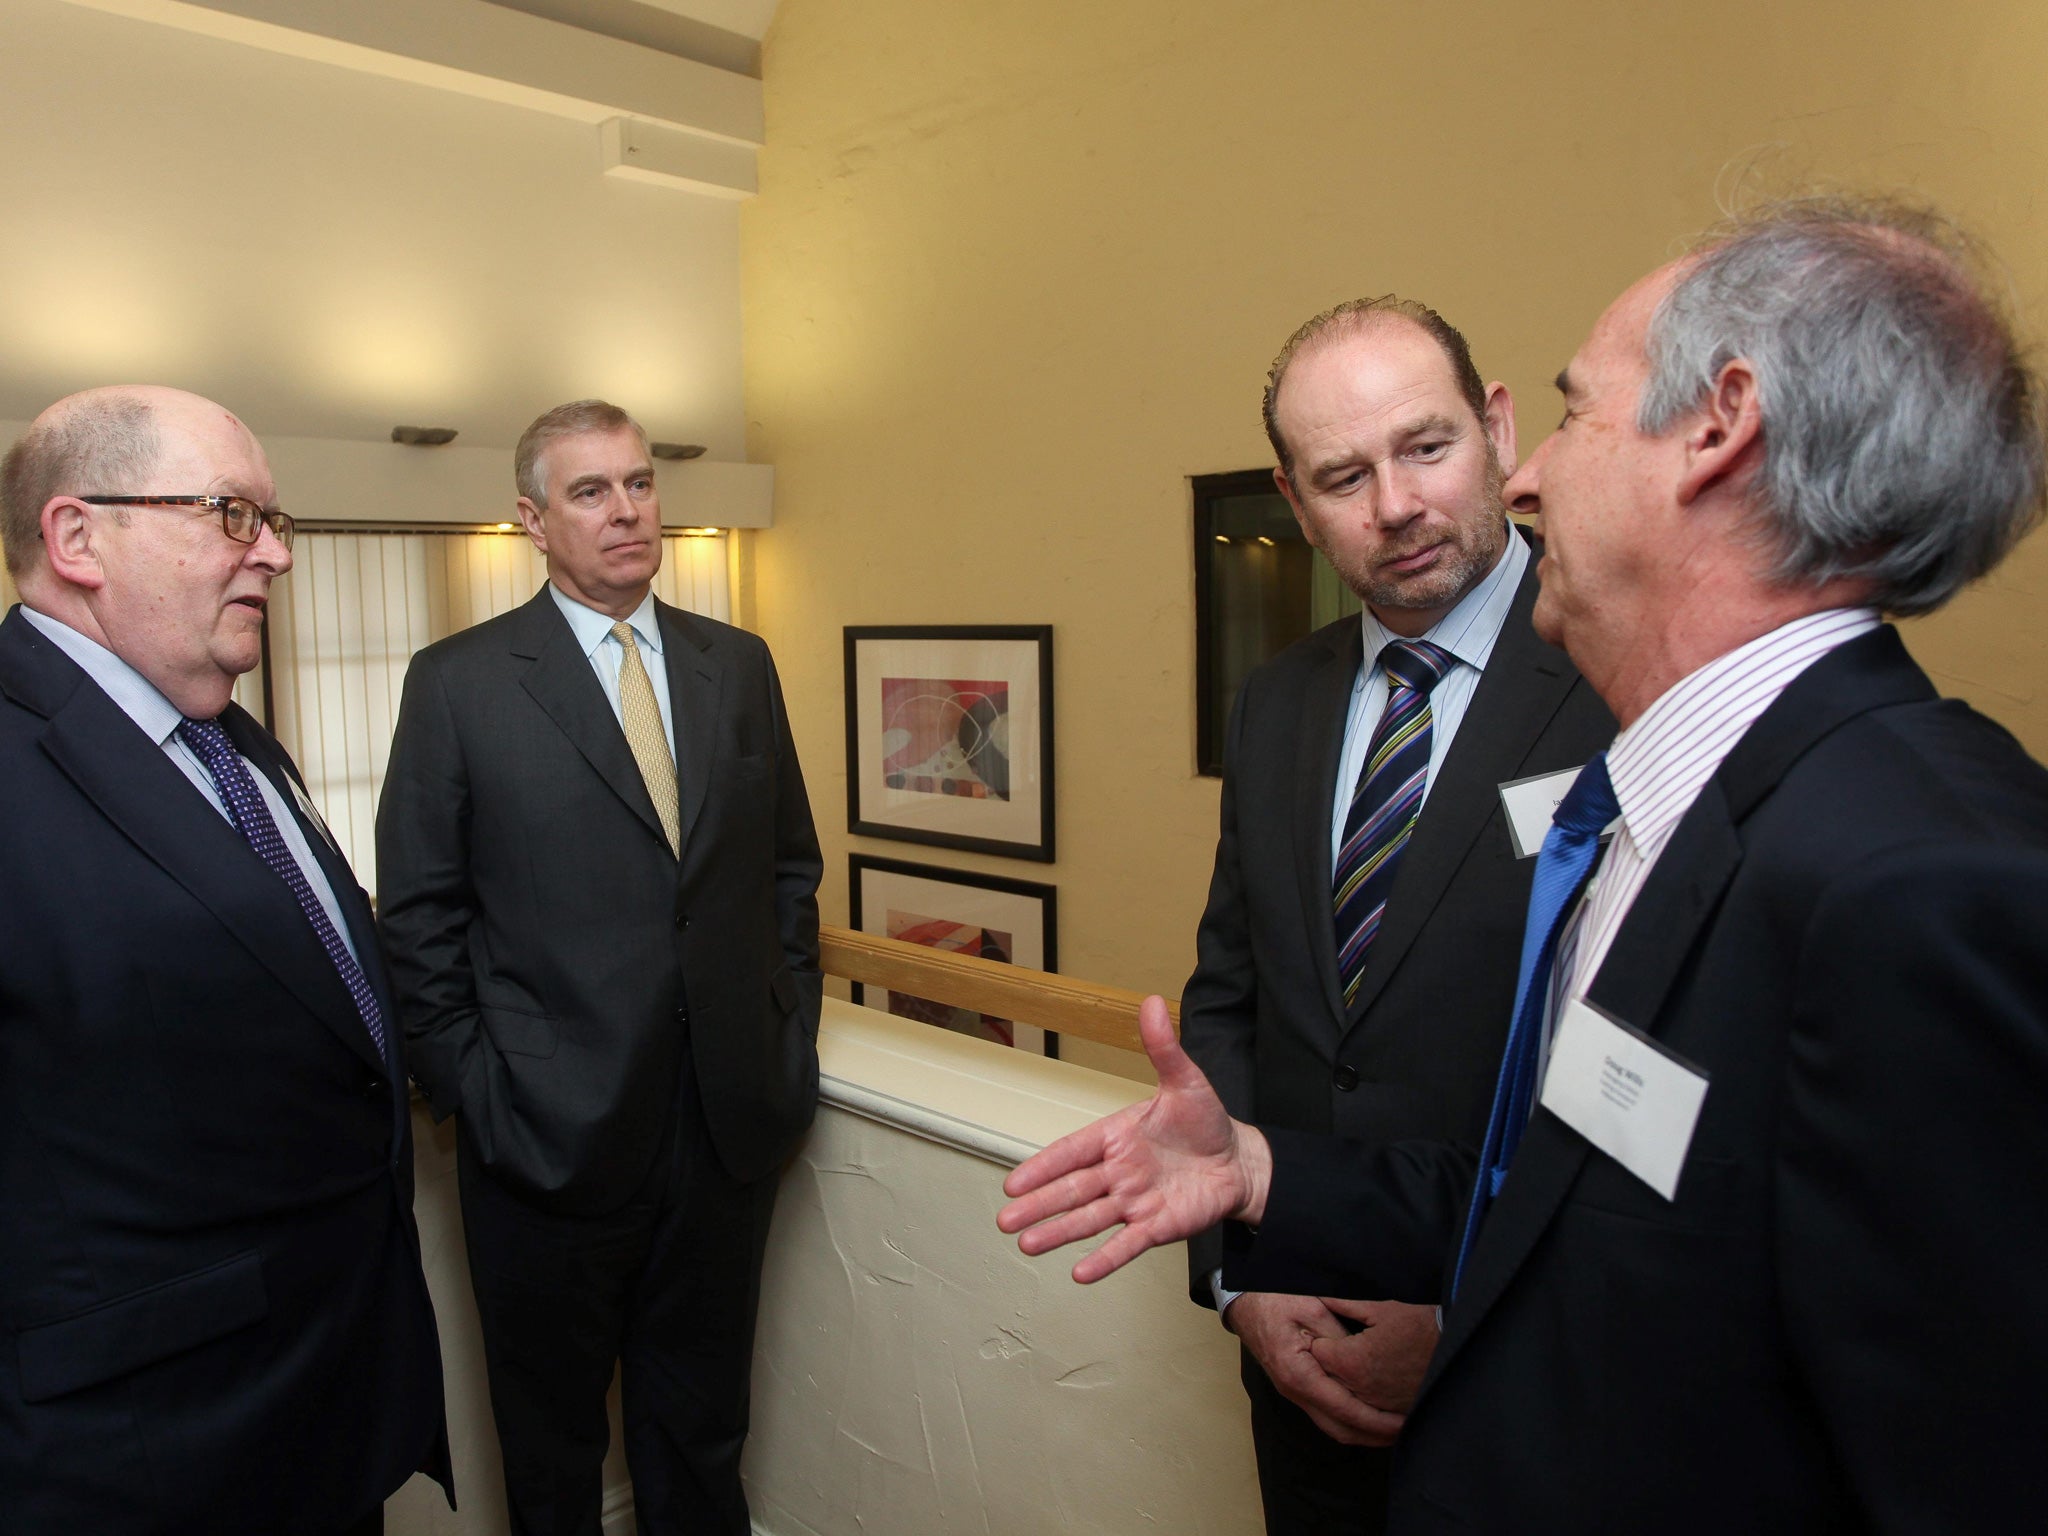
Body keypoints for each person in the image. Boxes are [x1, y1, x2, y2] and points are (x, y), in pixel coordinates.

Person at [1000, 197, 2048, 1530]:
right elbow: (1578, 1179)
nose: (1533, 478)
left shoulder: (1935, 878)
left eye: (1573, 413)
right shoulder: (1712, 800)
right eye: (1341, 475)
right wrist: (1262, 1185)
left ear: (1718, 428)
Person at [1181, 298, 1611, 1532]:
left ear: (1496, 427)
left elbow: (1659, 1077)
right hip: (1295, 1358)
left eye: (1425, 448)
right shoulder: (1276, 703)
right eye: (1340, 476)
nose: (1394, 507)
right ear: (1292, 499)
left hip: (1535, 1386)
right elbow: (1230, 1000)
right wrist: (1241, 1282)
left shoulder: (1623, 678)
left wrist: (1473, 1315)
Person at [0, 386, 450, 1535]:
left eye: (274, 518)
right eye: (232, 514)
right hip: (139, 1457)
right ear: (77, 537)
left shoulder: (231, 738)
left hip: (324, 1398)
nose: (280, 556)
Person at [376, 399, 823, 1536]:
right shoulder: (458, 683)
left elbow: (786, 872)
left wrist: (782, 1037)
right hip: (542, 1138)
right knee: (551, 1447)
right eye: (589, 492)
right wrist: (481, 1092)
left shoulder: (739, 662)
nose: (625, 512)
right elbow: (420, 920)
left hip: (723, 1128)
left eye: (637, 484)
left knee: (703, 1431)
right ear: (531, 518)